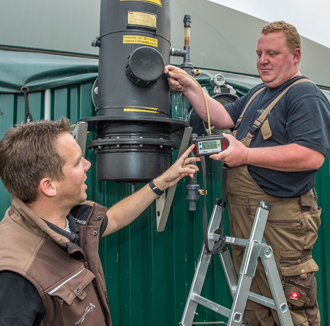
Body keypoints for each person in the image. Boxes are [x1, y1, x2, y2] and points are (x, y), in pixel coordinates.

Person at [165, 21, 330, 326]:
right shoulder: (258, 93)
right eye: (258, 53)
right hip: (248, 219)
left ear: (295, 55)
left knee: (291, 311)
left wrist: (246, 155)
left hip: (281, 221)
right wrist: (190, 88)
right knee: (255, 307)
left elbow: (311, 155)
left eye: (272, 53)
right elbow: (225, 116)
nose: (263, 60)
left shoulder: (304, 94)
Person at [0, 117, 199, 326]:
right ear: (49, 186)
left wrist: (162, 182)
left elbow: (112, 218)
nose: (88, 165)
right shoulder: (15, 278)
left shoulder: (69, 217)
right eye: (77, 162)